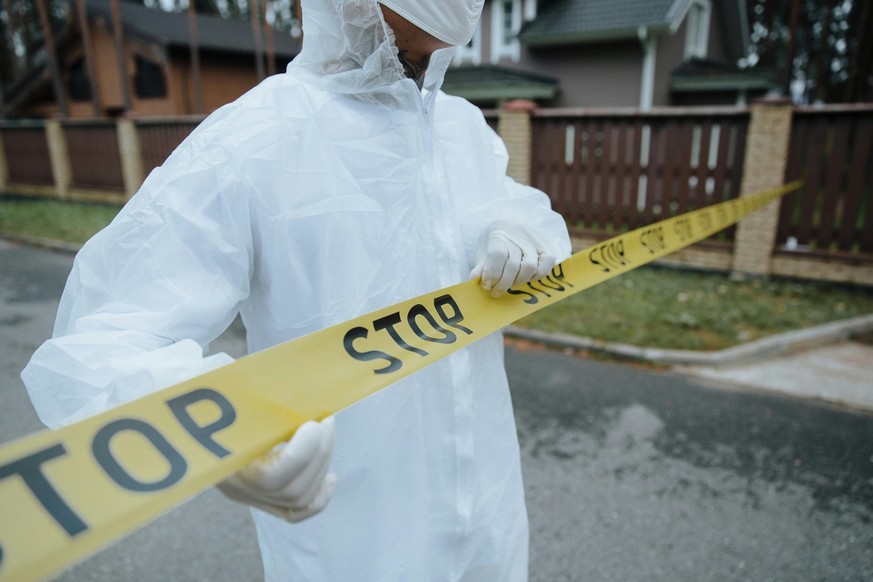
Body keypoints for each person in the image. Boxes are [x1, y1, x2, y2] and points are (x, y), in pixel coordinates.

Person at [22, 0, 572, 579]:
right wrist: (222, 426)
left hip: (491, 527)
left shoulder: (459, 126)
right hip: (351, 545)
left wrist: (515, 225)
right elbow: (103, 343)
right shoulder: (255, 139)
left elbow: (509, 202)